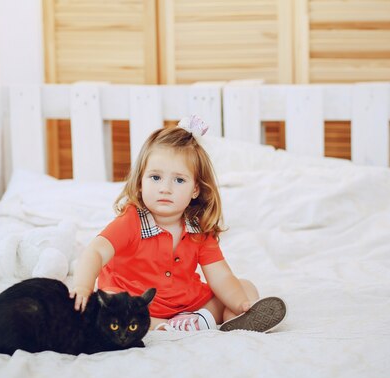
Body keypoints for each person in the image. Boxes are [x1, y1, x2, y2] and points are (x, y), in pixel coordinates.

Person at [69, 115, 286, 332]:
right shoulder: (131, 221)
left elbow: (220, 275)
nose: (165, 188)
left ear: (195, 189)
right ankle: (168, 325)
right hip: (137, 303)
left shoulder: (198, 229)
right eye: (155, 177)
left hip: (185, 303)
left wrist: (240, 303)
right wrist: (82, 286)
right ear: (140, 182)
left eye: (179, 180)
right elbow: (96, 252)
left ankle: (229, 318)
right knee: (108, 307)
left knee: (245, 287)